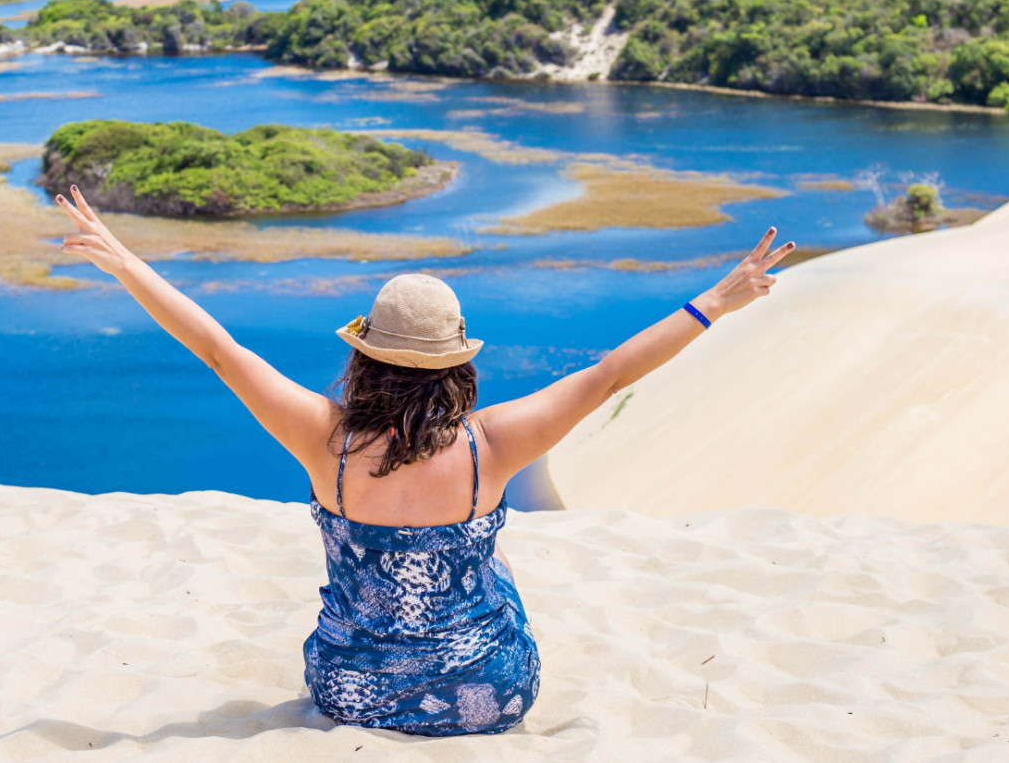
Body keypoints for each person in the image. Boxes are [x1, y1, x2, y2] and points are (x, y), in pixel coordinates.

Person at [53, 183, 793, 736]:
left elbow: (220, 349)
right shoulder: (493, 443)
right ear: (456, 365)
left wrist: (123, 262)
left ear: (366, 356)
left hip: (350, 691)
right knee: (494, 570)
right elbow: (611, 374)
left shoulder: (325, 441)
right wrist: (716, 301)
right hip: (489, 695)